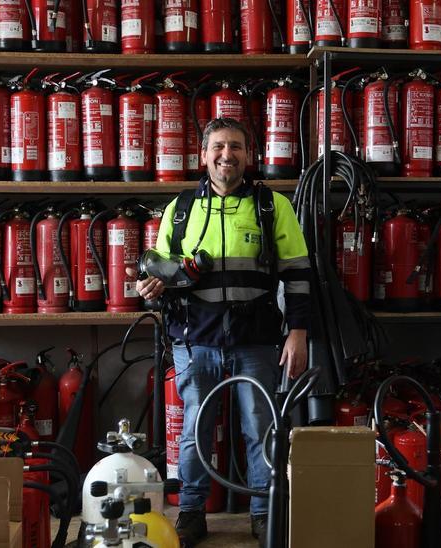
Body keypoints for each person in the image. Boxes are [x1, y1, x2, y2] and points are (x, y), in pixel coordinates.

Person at [126, 118, 311, 547]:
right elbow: (162, 272)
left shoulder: (271, 206)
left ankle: (263, 514)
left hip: (258, 339)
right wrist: (151, 286)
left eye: (236, 147)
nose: (227, 155)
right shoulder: (182, 209)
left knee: (259, 426)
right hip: (196, 339)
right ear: (204, 154)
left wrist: (298, 331)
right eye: (219, 147)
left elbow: (299, 276)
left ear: (249, 154)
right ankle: (192, 513)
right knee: (195, 429)